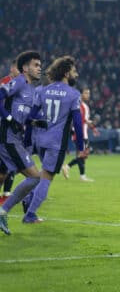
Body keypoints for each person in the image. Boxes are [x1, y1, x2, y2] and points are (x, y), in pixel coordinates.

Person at [20, 55, 87, 225]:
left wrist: (29, 138)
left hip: (39, 140)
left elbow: (31, 117)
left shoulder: (42, 90)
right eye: (73, 71)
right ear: (66, 73)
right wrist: (81, 147)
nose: (76, 74)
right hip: (56, 143)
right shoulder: (73, 94)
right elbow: (78, 124)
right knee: (47, 178)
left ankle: (28, 199)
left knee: (42, 174)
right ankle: (30, 214)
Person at [0, 51, 45, 235]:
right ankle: (3, 211)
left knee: (2, 176)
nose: (39, 68)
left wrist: (37, 122)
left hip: (14, 138)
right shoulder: (19, 81)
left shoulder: (33, 91)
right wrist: (8, 117)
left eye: (40, 65)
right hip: (8, 139)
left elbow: (27, 118)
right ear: (25, 68)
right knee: (35, 176)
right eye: (35, 65)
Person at [62, 86, 98, 182]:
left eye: (89, 93)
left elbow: (83, 120)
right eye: (86, 93)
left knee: (81, 155)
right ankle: (69, 168)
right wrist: (93, 127)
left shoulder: (81, 106)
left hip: (80, 134)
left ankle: (78, 173)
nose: (88, 95)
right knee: (82, 155)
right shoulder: (80, 106)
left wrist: (92, 127)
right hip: (80, 134)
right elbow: (81, 120)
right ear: (81, 94)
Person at [0, 60, 19, 203]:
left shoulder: (21, 84)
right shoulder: (5, 83)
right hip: (3, 127)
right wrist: (9, 118)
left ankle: (6, 194)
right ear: (12, 68)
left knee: (10, 163)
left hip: (12, 129)